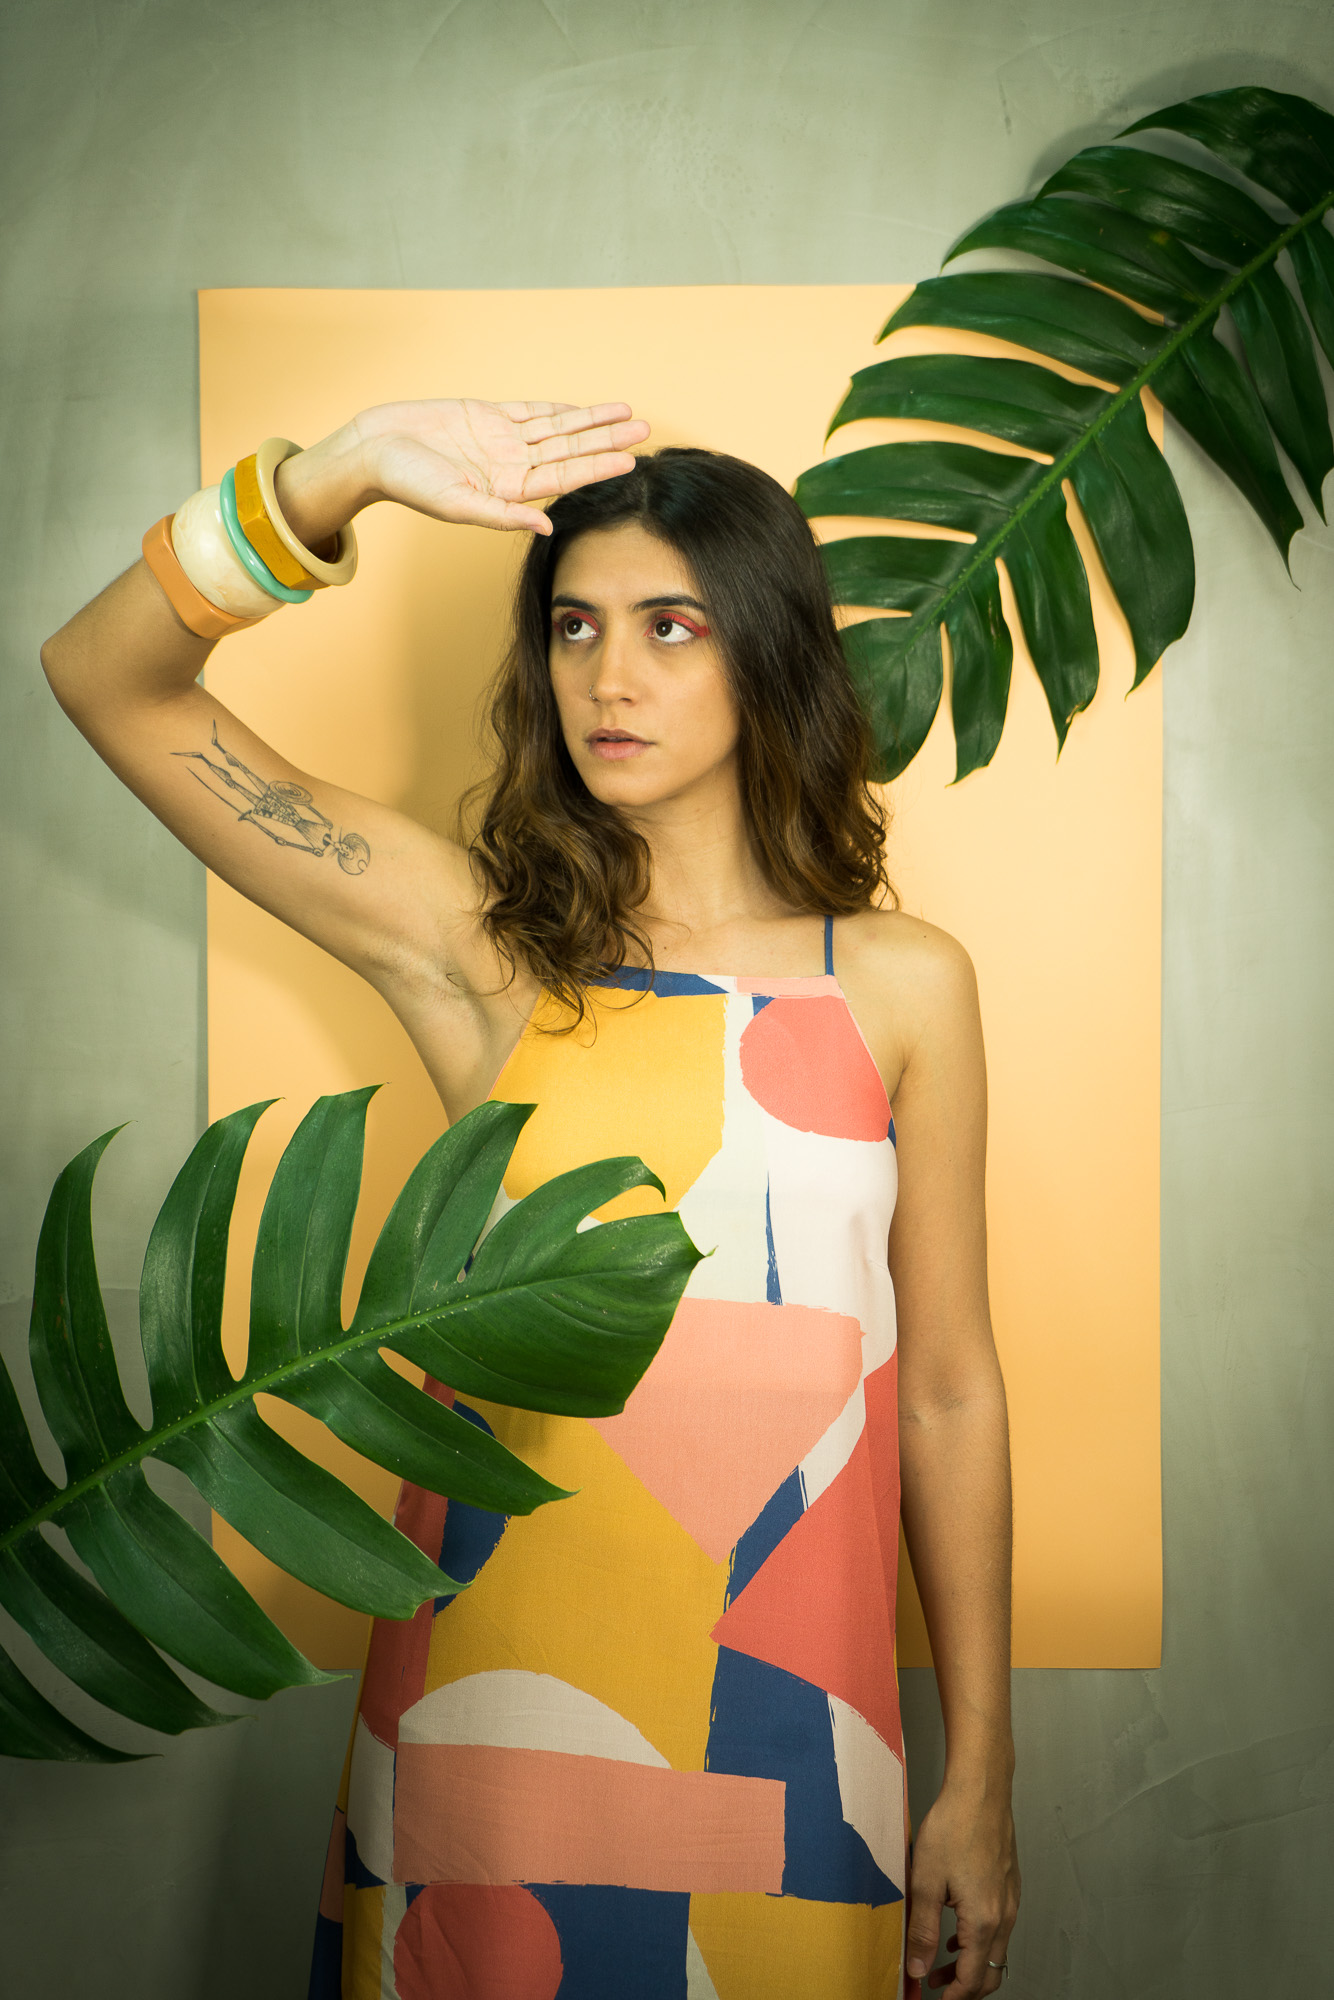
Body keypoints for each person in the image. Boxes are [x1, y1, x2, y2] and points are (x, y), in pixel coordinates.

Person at [41, 397, 1019, 1999]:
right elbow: (105, 677)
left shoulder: (903, 984)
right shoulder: (485, 953)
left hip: (794, 1709)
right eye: (573, 626)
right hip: (493, 1707)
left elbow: (948, 1393)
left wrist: (979, 1770)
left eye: (668, 626)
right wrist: (339, 474)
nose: (607, 677)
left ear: (766, 651)